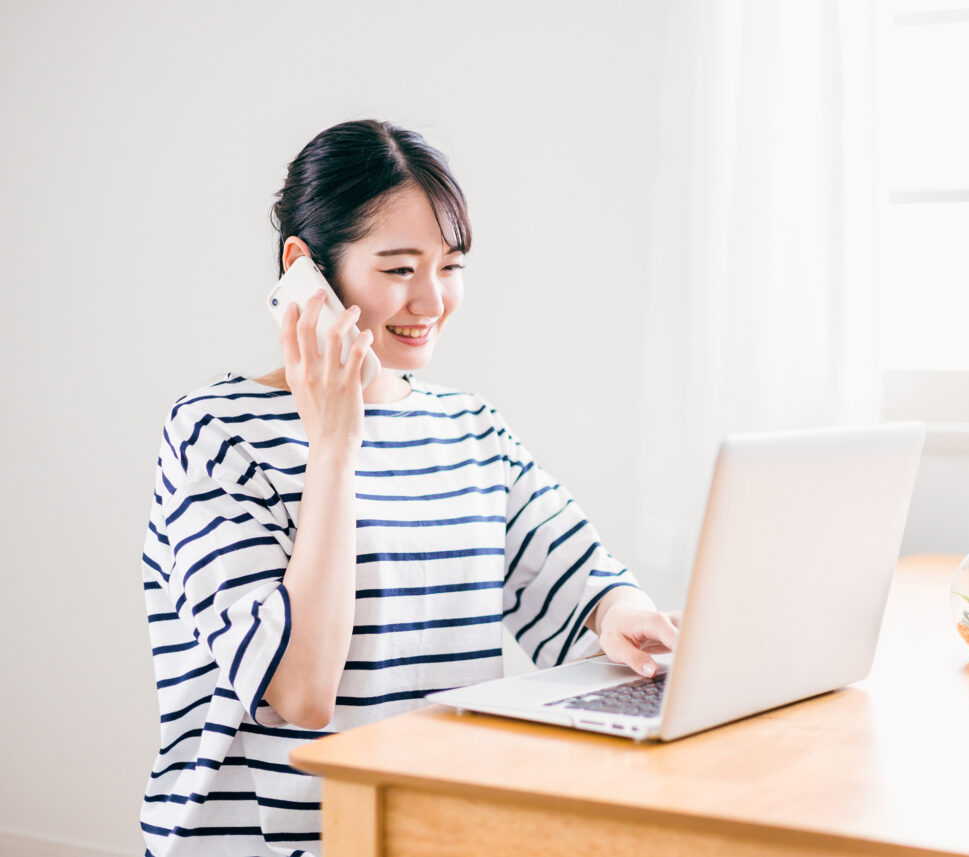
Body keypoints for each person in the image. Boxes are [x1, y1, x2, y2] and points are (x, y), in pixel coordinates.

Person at [138, 119, 680, 857]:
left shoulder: (469, 428)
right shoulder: (214, 432)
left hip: (425, 832)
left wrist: (624, 615)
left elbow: (580, 577)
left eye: (449, 266)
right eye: (398, 269)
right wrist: (334, 442)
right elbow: (299, 692)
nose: (431, 301)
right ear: (304, 268)